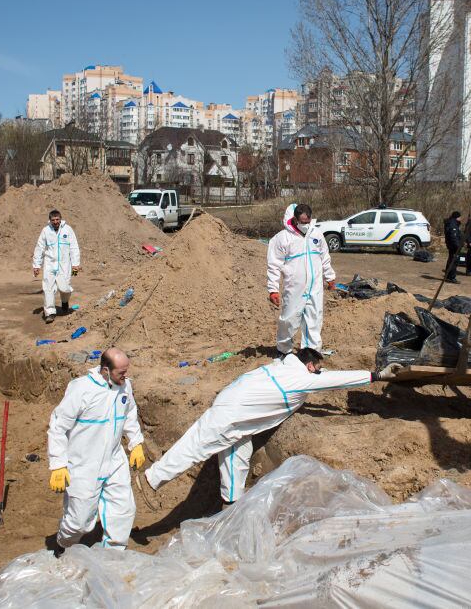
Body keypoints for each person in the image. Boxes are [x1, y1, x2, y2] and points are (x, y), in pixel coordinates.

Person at [144, 349, 402, 507]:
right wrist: (377, 375)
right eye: (318, 369)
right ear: (310, 366)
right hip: (230, 414)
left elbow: (321, 376)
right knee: (195, 447)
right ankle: (150, 479)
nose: (320, 373)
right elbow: (336, 380)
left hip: (239, 414)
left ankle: (230, 506)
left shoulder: (283, 367)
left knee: (237, 456)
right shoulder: (299, 378)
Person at [47, 348, 144, 553]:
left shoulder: (124, 387)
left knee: (123, 509)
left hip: (114, 459)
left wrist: (136, 443)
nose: (125, 376)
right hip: (84, 464)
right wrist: (58, 464)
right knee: (79, 522)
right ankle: (63, 546)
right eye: (121, 372)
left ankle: (113, 553)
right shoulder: (81, 389)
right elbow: (58, 426)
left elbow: (130, 414)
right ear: (106, 370)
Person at [266, 203, 335, 355]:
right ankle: (284, 350)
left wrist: (330, 276)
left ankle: (311, 351)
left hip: (315, 286)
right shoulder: (282, 239)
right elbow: (274, 265)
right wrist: (273, 289)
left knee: (314, 318)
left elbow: (324, 257)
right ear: (295, 219)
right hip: (294, 286)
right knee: (289, 319)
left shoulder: (316, 234)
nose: (305, 225)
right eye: (302, 222)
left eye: (307, 222)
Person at [33, 209, 81, 325]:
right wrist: (36, 265)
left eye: (57, 219)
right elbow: (39, 248)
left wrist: (75, 264)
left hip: (64, 265)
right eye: (53, 220)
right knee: (48, 288)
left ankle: (65, 301)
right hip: (50, 264)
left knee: (64, 288)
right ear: (50, 220)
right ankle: (50, 313)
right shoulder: (46, 231)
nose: (55, 222)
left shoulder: (68, 230)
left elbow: (74, 247)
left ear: (60, 219)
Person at [442, 211, 463, 284]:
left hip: (451, 245)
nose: (461, 218)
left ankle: (448, 275)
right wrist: (458, 246)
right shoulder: (453, 224)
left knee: (451, 260)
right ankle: (452, 277)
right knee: (454, 261)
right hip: (454, 246)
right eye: (460, 217)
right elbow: (453, 237)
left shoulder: (452, 223)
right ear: (457, 217)